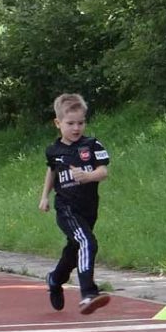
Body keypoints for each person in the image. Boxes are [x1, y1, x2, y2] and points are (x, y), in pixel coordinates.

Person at [39, 93, 111, 314]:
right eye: (70, 123)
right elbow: (51, 171)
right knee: (87, 243)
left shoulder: (92, 145)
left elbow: (103, 171)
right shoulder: (54, 151)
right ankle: (88, 293)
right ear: (58, 123)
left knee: (74, 250)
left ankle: (55, 279)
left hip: (88, 208)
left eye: (80, 123)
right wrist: (44, 196)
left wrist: (88, 177)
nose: (76, 128)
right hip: (66, 208)